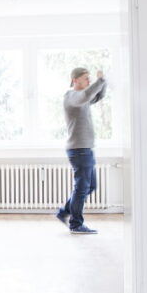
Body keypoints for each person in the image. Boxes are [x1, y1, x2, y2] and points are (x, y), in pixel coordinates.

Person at [55, 67, 107, 234]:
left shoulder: (81, 98)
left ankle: (64, 212)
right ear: (75, 80)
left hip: (85, 149)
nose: (88, 81)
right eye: (86, 78)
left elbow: (97, 95)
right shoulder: (72, 97)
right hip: (79, 150)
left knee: (90, 186)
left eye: (89, 78)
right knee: (81, 187)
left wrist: (103, 82)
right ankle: (76, 224)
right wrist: (99, 81)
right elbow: (86, 95)